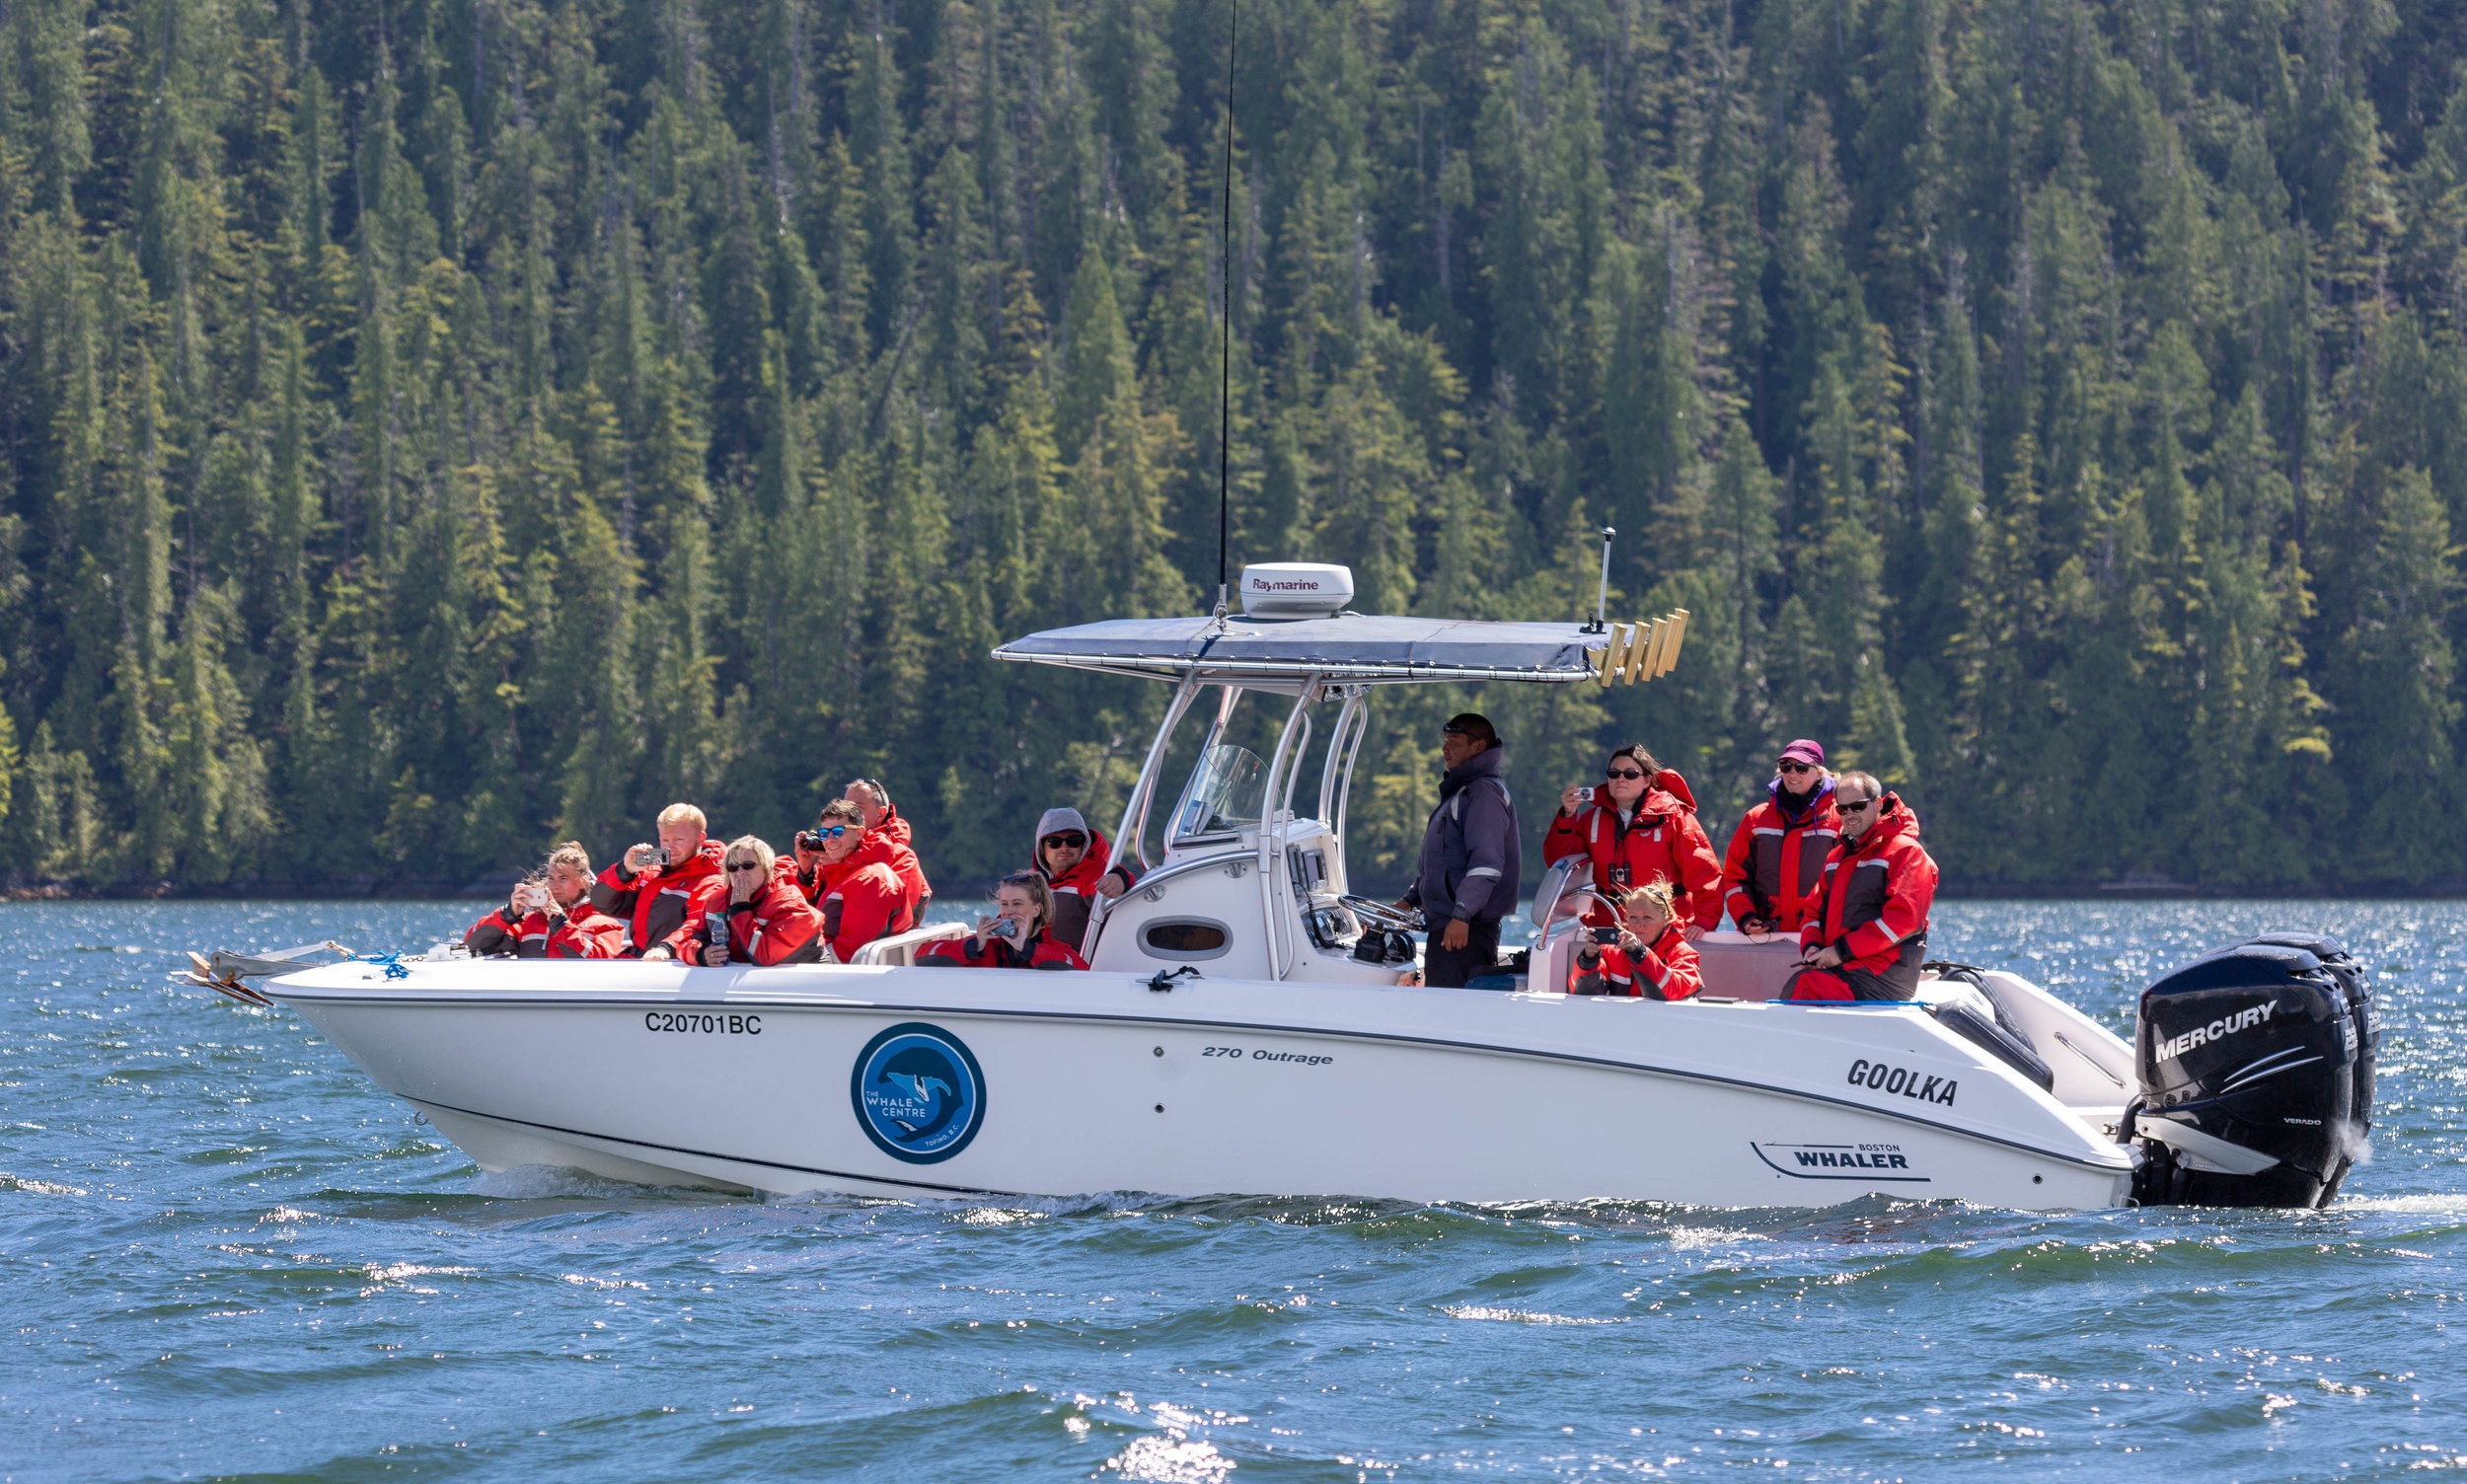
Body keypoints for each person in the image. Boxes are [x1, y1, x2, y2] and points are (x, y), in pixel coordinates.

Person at [1785, 772, 1939, 1002]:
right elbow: (1812, 911)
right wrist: (1812, 946)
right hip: (1845, 968)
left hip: (1885, 976)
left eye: (1857, 806)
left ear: (1877, 804)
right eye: (1842, 809)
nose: (1849, 815)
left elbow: (1902, 920)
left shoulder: (1906, 852)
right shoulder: (1836, 858)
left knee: (1807, 986)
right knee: (1801, 983)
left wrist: (1840, 951)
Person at [1542, 744, 1723, 937]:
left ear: (1646, 780)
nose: (1620, 778)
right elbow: (1560, 863)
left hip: (1665, 931)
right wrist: (1567, 816)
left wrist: (1705, 921)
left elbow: (1705, 873)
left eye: (1630, 773)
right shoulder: (1590, 820)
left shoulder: (1673, 817)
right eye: (1614, 773)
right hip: (1610, 928)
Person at [1401, 712, 1522, 989]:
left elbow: (1486, 864)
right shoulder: (1463, 792)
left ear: (1478, 747)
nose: (1445, 749)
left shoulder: (1483, 794)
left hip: (1464, 930)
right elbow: (1446, 862)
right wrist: (1411, 898)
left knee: (1450, 1012)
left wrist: (1461, 914)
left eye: (1454, 741)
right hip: (1449, 925)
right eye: (1445, 741)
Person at [1721, 739, 1842, 937]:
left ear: (1820, 771)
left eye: (1801, 767)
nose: (1792, 773)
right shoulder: (1756, 819)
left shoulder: (1840, 818)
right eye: (1786, 766)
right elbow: (1735, 876)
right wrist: (1746, 917)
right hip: (1764, 937)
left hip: (1820, 937)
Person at [589, 802, 728, 960]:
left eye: (679, 840)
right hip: (638, 960)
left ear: (700, 838)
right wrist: (625, 870)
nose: (670, 848)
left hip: (671, 964)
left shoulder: (711, 880)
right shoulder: (651, 869)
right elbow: (601, 903)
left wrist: (665, 948)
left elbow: (696, 925)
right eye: (665, 840)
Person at [463, 842, 628, 958]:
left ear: (583, 881)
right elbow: (470, 946)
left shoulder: (607, 925)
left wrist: (560, 924)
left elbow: (599, 963)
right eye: (550, 878)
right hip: (535, 1001)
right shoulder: (528, 922)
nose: (554, 885)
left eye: (563, 878)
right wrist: (508, 915)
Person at [805, 799, 911, 961]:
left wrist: (800, 959)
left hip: (850, 976)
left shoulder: (872, 879)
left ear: (859, 833)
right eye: (824, 834)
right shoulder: (841, 874)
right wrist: (804, 872)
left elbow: (851, 951)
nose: (830, 839)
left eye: (838, 831)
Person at [695, 836, 827, 965]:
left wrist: (740, 909)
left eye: (748, 865)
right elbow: (689, 940)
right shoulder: (716, 900)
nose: (740, 872)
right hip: (749, 981)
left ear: (766, 868)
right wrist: (701, 955)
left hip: (809, 981)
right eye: (732, 867)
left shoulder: (790, 902)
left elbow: (764, 956)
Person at [917, 871, 1089, 970]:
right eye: (1004, 904)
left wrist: (1027, 949)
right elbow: (922, 956)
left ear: (1036, 910)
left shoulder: (1051, 947)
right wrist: (975, 945)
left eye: (1017, 904)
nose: (1009, 911)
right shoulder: (986, 944)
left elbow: (1081, 969)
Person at [1569, 881, 1703, 1001]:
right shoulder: (1611, 951)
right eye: (1633, 917)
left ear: (1667, 920)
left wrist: (1640, 953)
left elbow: (1672, 991)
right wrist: (1588, 961)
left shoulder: (1684, 954)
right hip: (1623, 1023)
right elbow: (1581, 992)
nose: (1639, 924)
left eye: (1647, 917)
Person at [1029, 806, 1137, 953]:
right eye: (1054, 842)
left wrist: (1121, 878)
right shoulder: (1028, 882)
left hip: (1082, 972)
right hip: (1034, 969)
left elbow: (1131, 908)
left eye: (1074, 841)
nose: (1064, 848)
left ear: (1084, 844)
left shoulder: (1098, 877)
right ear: (1041, 847)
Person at [843, 778, 933, 919]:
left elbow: (883, 915)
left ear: (880, 813)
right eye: (846, 808)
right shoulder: (839, 848)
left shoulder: (901, 856)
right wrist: (806, 874)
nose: (849, 815)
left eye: (858, 808)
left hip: (877, 938)